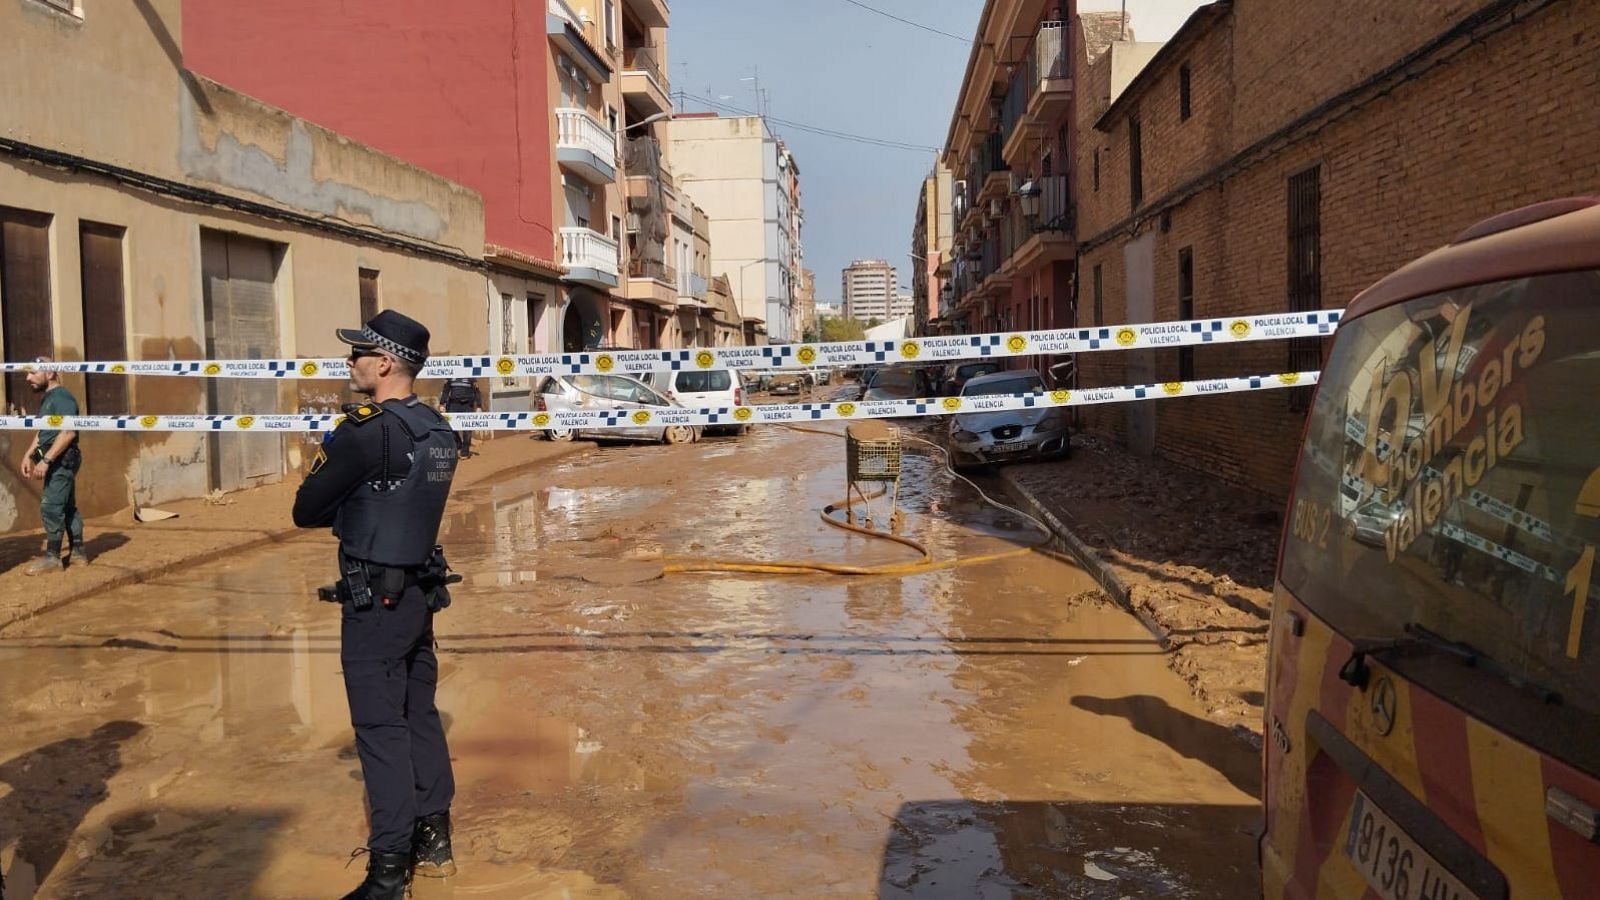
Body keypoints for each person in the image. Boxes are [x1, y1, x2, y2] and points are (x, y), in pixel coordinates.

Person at [292, 311, 461, 899]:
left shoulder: (367, 431)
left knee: (379, 728)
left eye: (358, 353)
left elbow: (305, 509)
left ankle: (389, 873)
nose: (349, 363)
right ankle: (434, 837)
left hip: (374, 601)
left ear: (385, 363)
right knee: (418, 712)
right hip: (418, 593)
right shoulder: (435, 427)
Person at [19, 358, 86, 575]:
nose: (28, 378)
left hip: (61, 459)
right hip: (53, 457)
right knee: (66, 506)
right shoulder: (49, 399)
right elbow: (43, 431)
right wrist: (28, 455)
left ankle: (53, 558)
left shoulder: (63, 398)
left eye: (32, 373)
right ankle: (78, 552)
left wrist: (46, 461)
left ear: (49, 374)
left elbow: (68, 432)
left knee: (51, 506)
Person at [436, 375, 482, 458]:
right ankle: (458, 444)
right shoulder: (450, 376)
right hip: (453, 404)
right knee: (451, 427)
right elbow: (446, 390)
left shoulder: (470, 376)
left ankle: (465, 452)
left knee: (467, 429)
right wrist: (442, 404)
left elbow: (477, 391)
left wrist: (479, 406)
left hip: (467, 405)